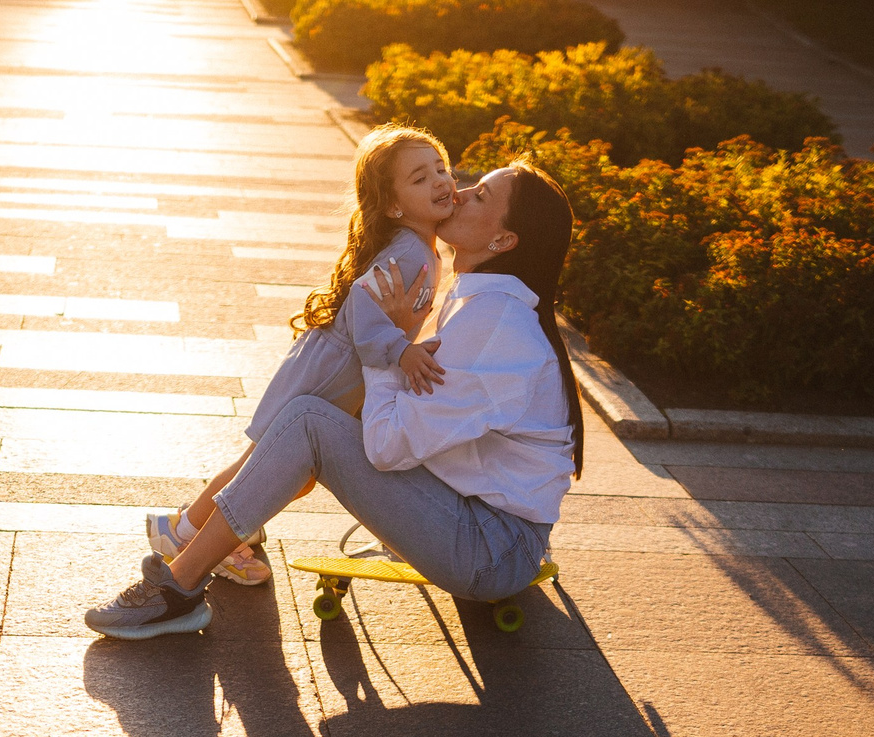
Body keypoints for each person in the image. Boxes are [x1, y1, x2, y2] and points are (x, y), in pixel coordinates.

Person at [86, 161, 583, 639]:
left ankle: (179, 586)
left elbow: (388, 446)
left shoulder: (495, 323)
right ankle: (213, 534)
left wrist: (383, 342)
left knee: (308, 421)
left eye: (482, 195)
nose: (462, 190)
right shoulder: (483, 303)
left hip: (490, 551)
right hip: (487, 530)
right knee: (320, 418)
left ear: (502, 240)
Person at [144, 125, 457, 588]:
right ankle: (185, 531)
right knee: (262, 464)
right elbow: (362, 307)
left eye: (441, 168)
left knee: (289, 471)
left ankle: (219, 531)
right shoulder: (410, 252)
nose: (440, 181)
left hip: (335, 375)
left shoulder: (423, 248)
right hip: (325, 373)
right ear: (393, 206)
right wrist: (401, 352)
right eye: (419, 178)